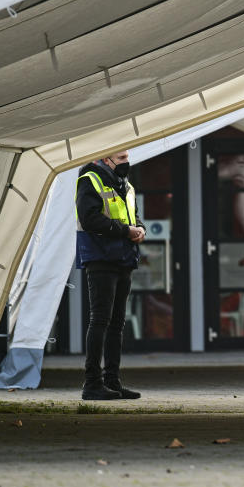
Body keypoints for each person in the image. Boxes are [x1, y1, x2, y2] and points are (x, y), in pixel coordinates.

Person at [75, 150, 145, 400]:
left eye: (127, 157)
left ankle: (112, 382)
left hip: (124, 258)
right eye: (122, 158)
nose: (127, 162)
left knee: (117, 323)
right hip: (101, 257)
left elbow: (132, 216)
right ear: (106, 159)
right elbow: (89, 218)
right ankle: (91, 383)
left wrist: (140, 229)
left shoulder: (126, 185)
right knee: (100, 320)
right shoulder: (89, 180)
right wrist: (126, 231)